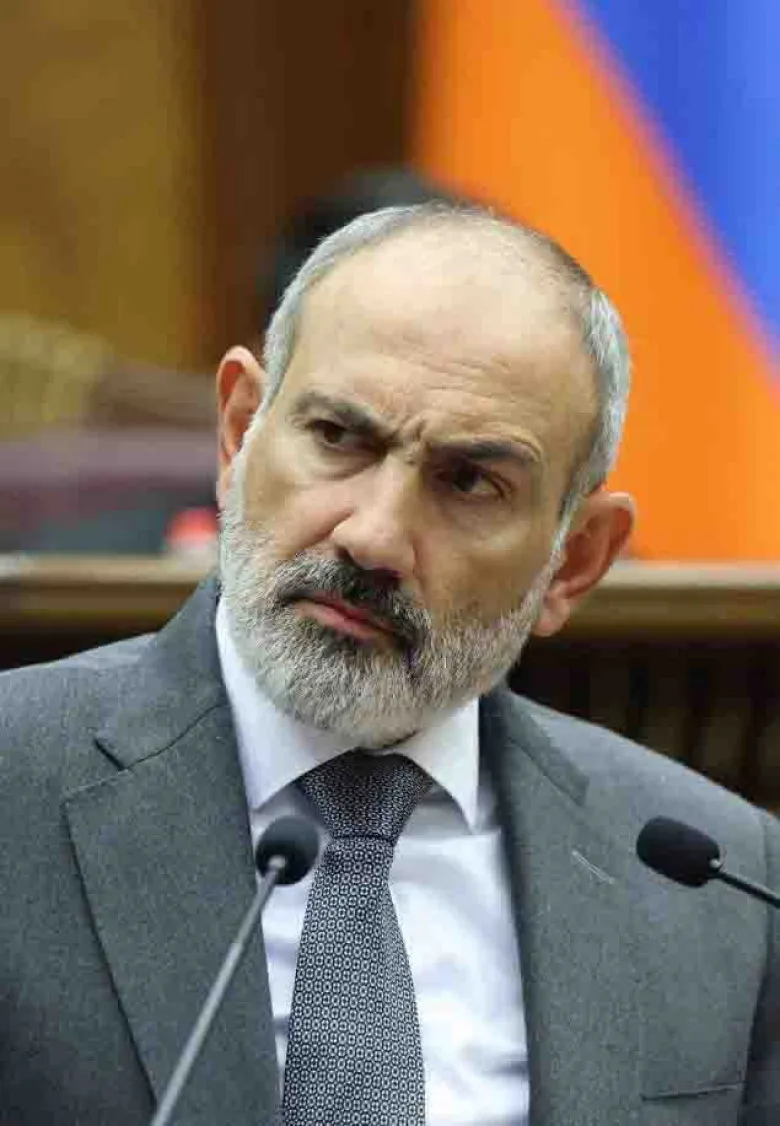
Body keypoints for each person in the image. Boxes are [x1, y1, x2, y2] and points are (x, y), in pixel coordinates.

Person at [0, 204, 778, 1126]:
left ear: (572, 563)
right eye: (338, 437)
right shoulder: (17, 780)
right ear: (240, 433)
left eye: (469, 482)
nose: (373, 538)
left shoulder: (719, 885)